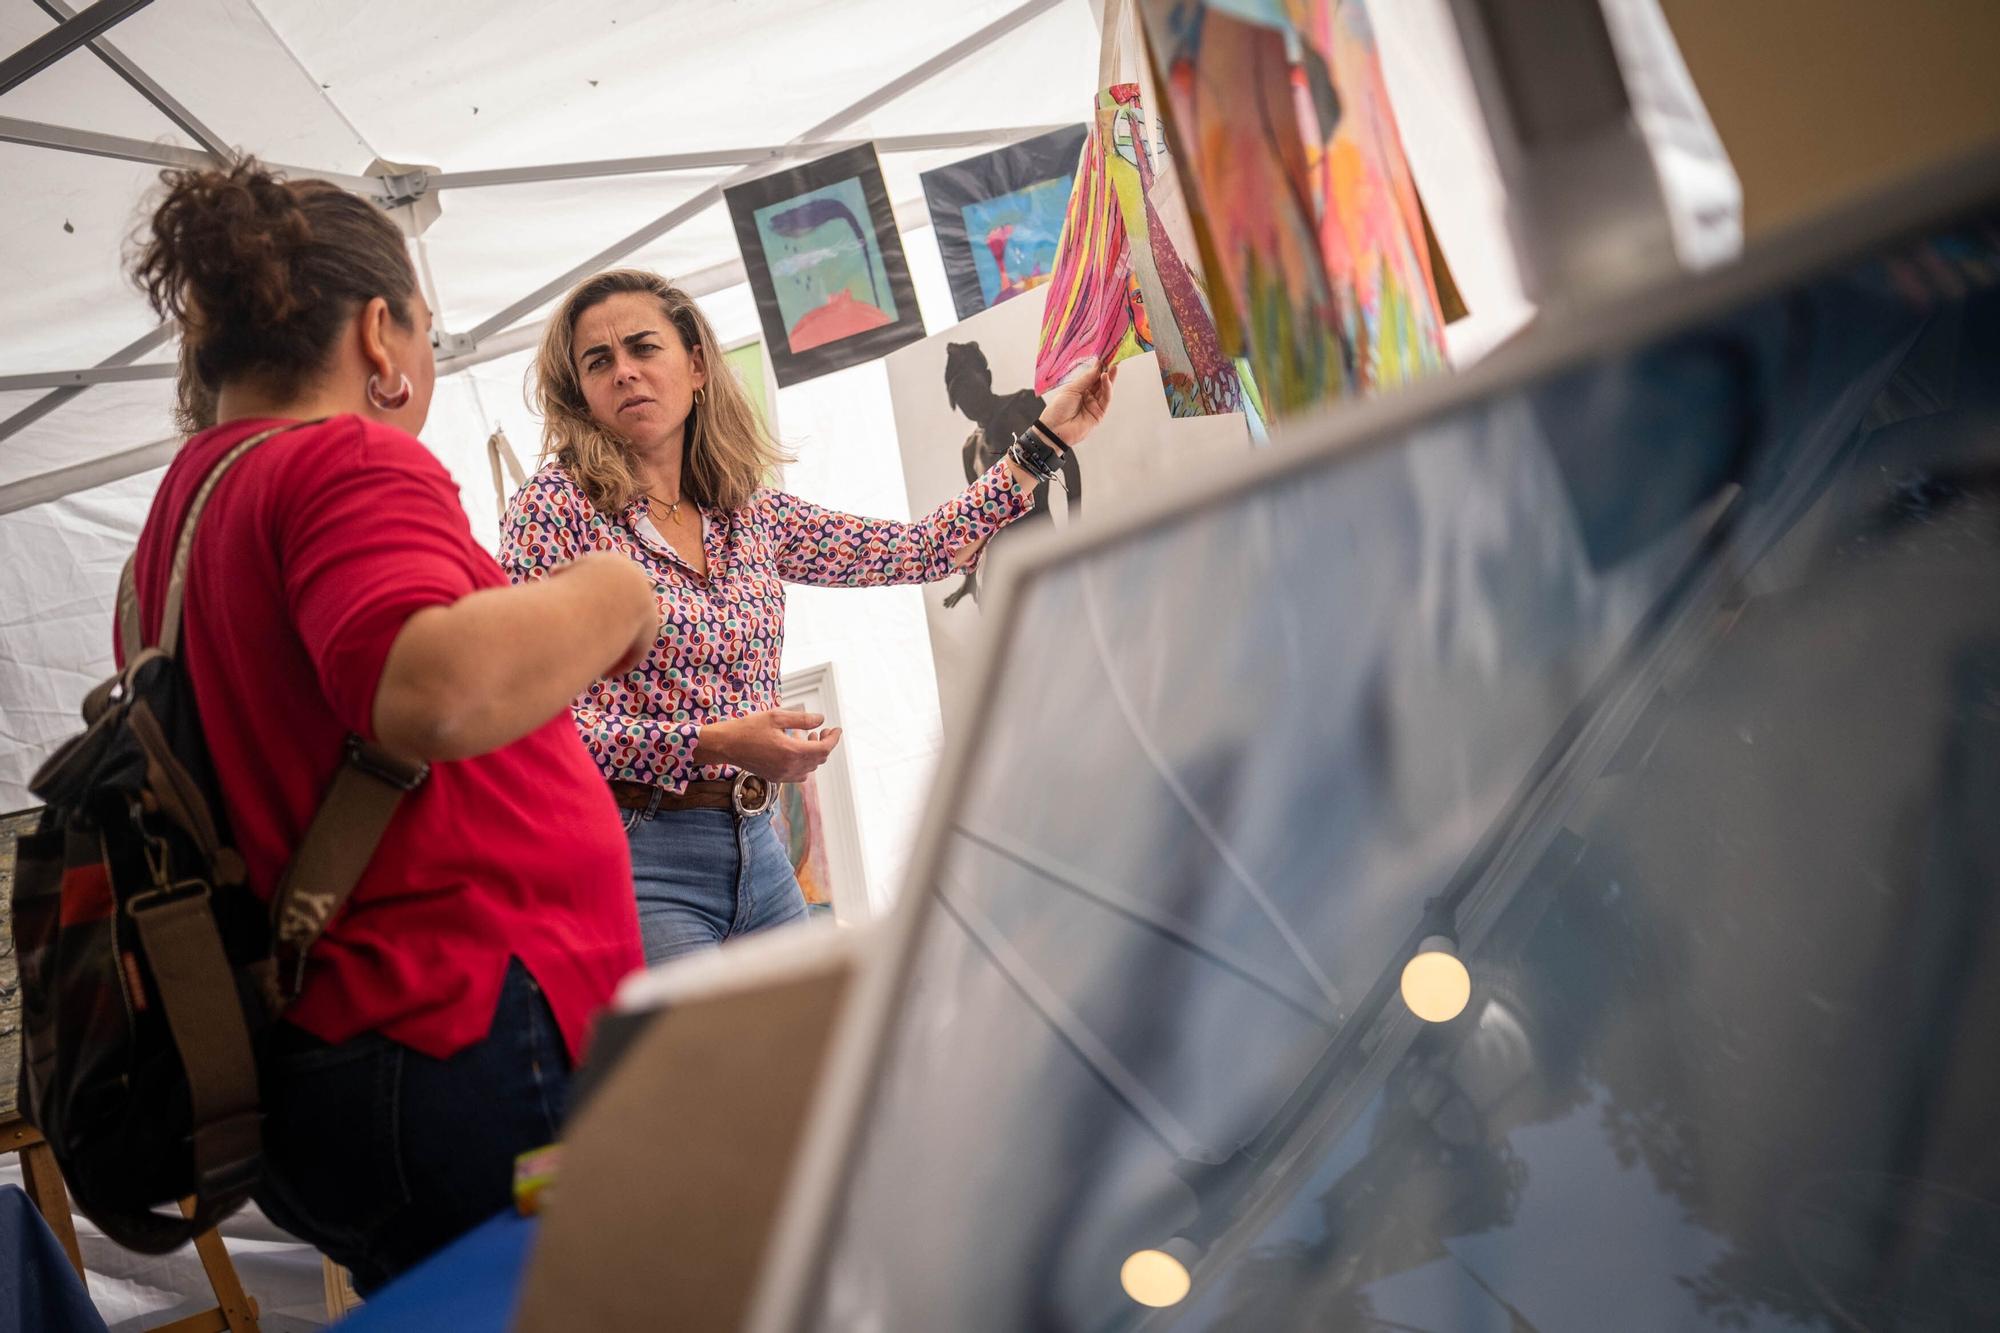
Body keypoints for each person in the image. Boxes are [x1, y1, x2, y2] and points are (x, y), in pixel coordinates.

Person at [126, 162, 658, 1291]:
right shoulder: (339, 460)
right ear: (381, 334)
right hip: (464, 1037)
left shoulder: (172, 531)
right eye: (424, 333)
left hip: (346, 1060)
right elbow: (428, 690)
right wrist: (616, 590)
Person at [502, 269, 1116, 963]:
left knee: (815, 1063)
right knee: (714, 1072)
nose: (625, 373)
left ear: (697, 365)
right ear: (579, 392)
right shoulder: (555, 508)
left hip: (760, 847)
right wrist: (713, 740)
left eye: (644, 348)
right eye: (599, 361)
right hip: (638, 855)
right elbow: (538, 726)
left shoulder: (747, 510)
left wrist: (1044, 440)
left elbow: (918, 549)